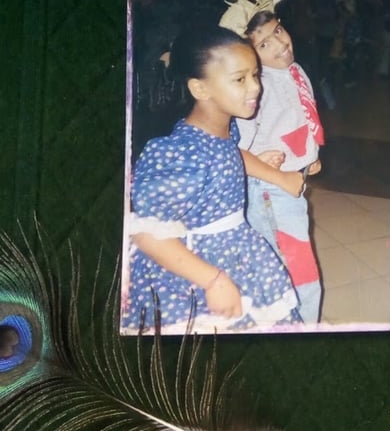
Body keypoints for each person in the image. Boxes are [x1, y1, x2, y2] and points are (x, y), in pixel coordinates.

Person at [123, 25, 303, 333]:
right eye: (240, 79)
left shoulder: (224, 129)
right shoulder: (178, 152)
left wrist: (279, 177)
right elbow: (145, 233)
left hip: (238, 252)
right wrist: (213, 280)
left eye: (255, 75)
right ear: (200, 89)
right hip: (196, 269)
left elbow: (232, 154)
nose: (255, 88)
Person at [220, 0, 324, 324]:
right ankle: (301, 329)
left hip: (288, 184)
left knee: (283, 261)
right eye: (264, 44)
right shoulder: (256, 89)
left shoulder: (293, 70)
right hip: (270, 190)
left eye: (277, 31)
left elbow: (299, 116)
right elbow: (230, 150)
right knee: (298, 272)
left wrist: (308, 154)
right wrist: (261, 164)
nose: (280, 44)